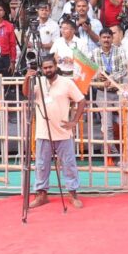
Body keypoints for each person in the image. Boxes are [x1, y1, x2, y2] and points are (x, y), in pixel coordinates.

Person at [34, 55, 85, 208]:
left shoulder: (66, 83)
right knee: (42, 164)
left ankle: (72, 193)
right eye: (45, 68)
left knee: (69, 164)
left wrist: (74, 121)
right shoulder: (37, 82)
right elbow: (26, 94)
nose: (48, 70)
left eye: (50, 67)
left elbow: (81, 100)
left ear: (56, 66)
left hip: (63, 132)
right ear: (41, 69)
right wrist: (26, 79)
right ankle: (41, 194)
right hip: (43, 131)